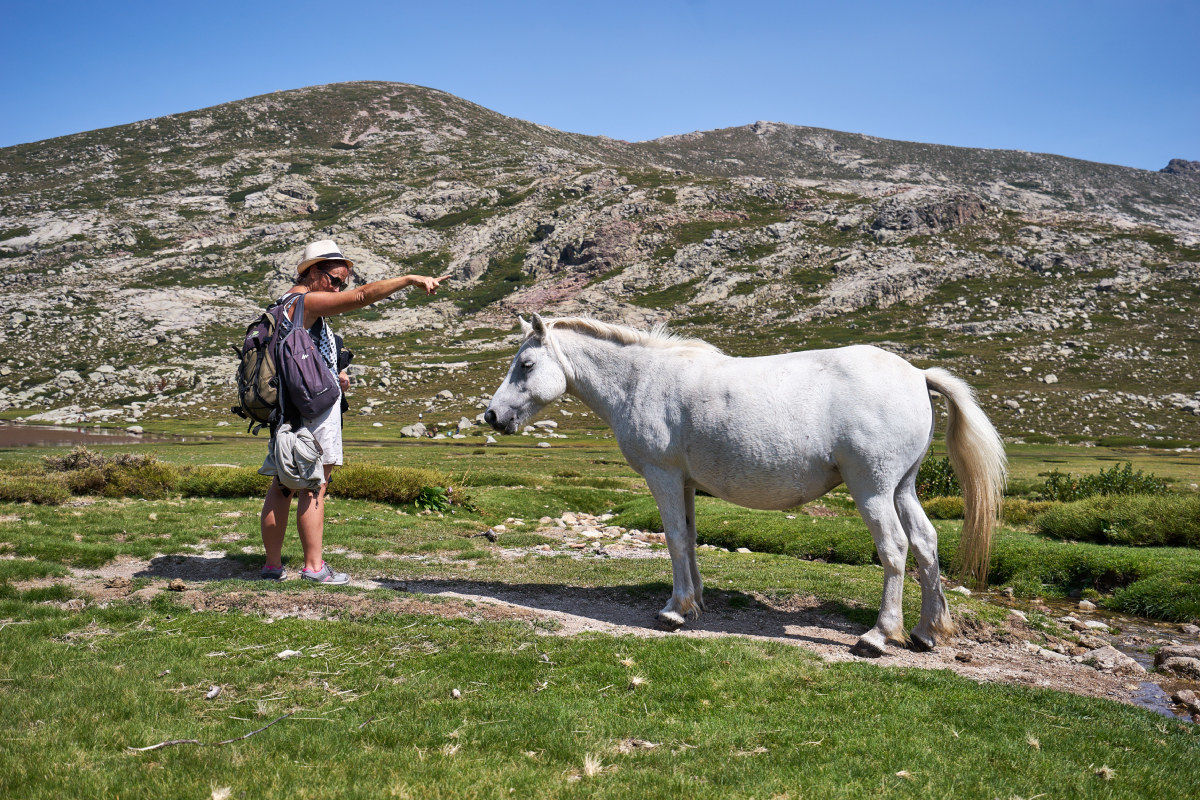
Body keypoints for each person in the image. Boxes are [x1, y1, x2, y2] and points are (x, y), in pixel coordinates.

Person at [259, 239, 449, 583]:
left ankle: (272, 566)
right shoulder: (306, 300)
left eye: (342, 283)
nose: (338, 288)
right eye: (334, 280)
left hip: (287, 410)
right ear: (312, 271)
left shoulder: (283, 305)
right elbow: (362, 297)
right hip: (314, 412)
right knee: (314, 485)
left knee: (282, 485)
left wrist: (335, 374)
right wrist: (408, 279)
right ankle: (315, 568)